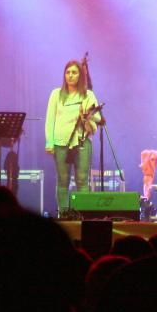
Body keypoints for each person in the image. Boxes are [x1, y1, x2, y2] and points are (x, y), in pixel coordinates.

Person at [45, 59, 103, 216]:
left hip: (82, 141)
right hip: (60, 142)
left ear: (81, 75)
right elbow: (50, 119)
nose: (70, 76)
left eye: (74, 72)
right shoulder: (56, 94)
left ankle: (82, 215)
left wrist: (86, 116)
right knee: (62, 181)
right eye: (68, 72)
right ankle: (63, 215)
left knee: (82, 180)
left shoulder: (88, 95)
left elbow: (98, 118)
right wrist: (49, 142)